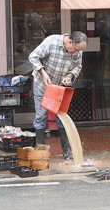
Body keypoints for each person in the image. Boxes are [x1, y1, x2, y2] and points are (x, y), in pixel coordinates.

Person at [28, 31, 87, 160]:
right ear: (70, 42)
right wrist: (43, 73)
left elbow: (77, 66)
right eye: (76, 49)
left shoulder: (78, 50)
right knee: (41, 116)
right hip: (42, 85)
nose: (77, 53)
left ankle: (67, 152)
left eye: (79, 51)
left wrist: (70, 76)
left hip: (59, 88)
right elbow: (33, 57)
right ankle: (41, 153)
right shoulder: (51, 42)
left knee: (62, 117)